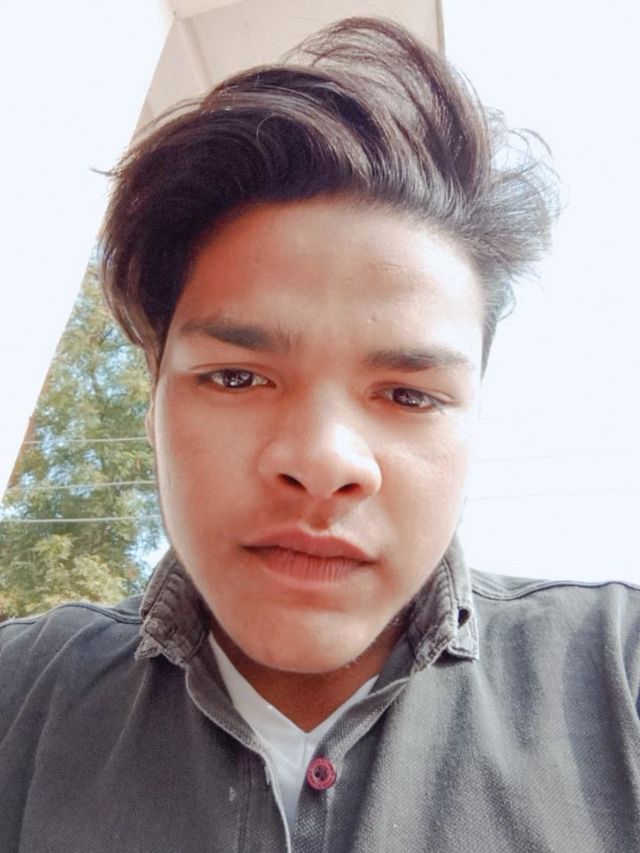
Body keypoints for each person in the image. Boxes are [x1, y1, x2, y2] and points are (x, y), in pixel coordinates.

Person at [1, 16, 638, 853]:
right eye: (237, 377)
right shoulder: (19, 700)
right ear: (153, 403)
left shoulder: (620, 681)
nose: (324, 461)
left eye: (408, 394)